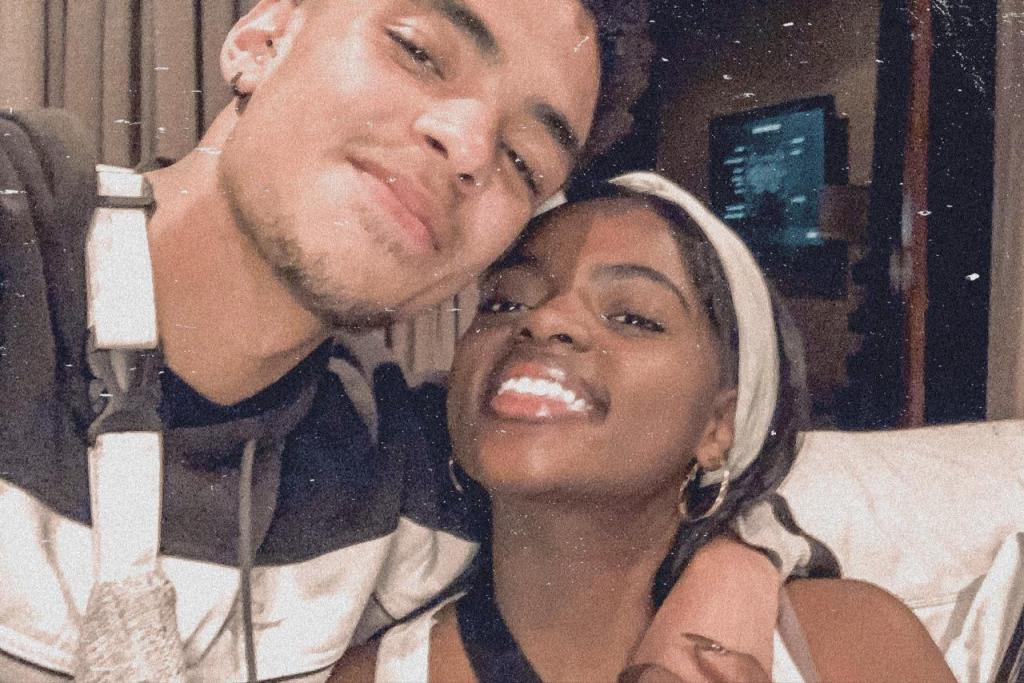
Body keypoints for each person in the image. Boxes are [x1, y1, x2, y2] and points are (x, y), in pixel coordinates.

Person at [0, 2, 808, 681]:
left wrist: (730, 581)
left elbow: (661, 489)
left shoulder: (400, 468)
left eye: (523, 160)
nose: (469, 144)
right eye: (419, 52)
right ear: (263, 37)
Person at [331, 172, 956, 682]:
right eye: (506, 301)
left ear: (719, 426)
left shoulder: (852, 647)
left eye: (632, 316)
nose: (545, 321)